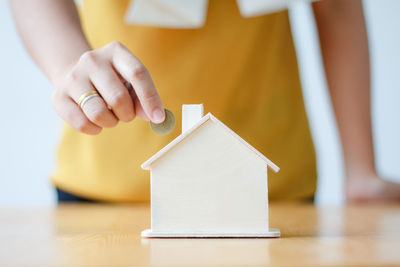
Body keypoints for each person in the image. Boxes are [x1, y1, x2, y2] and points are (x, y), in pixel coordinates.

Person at [10, 0, 400, 203]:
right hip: (108, 179)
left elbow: (336, 5)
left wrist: (361, 167)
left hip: (268, 184)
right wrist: (66, 67)